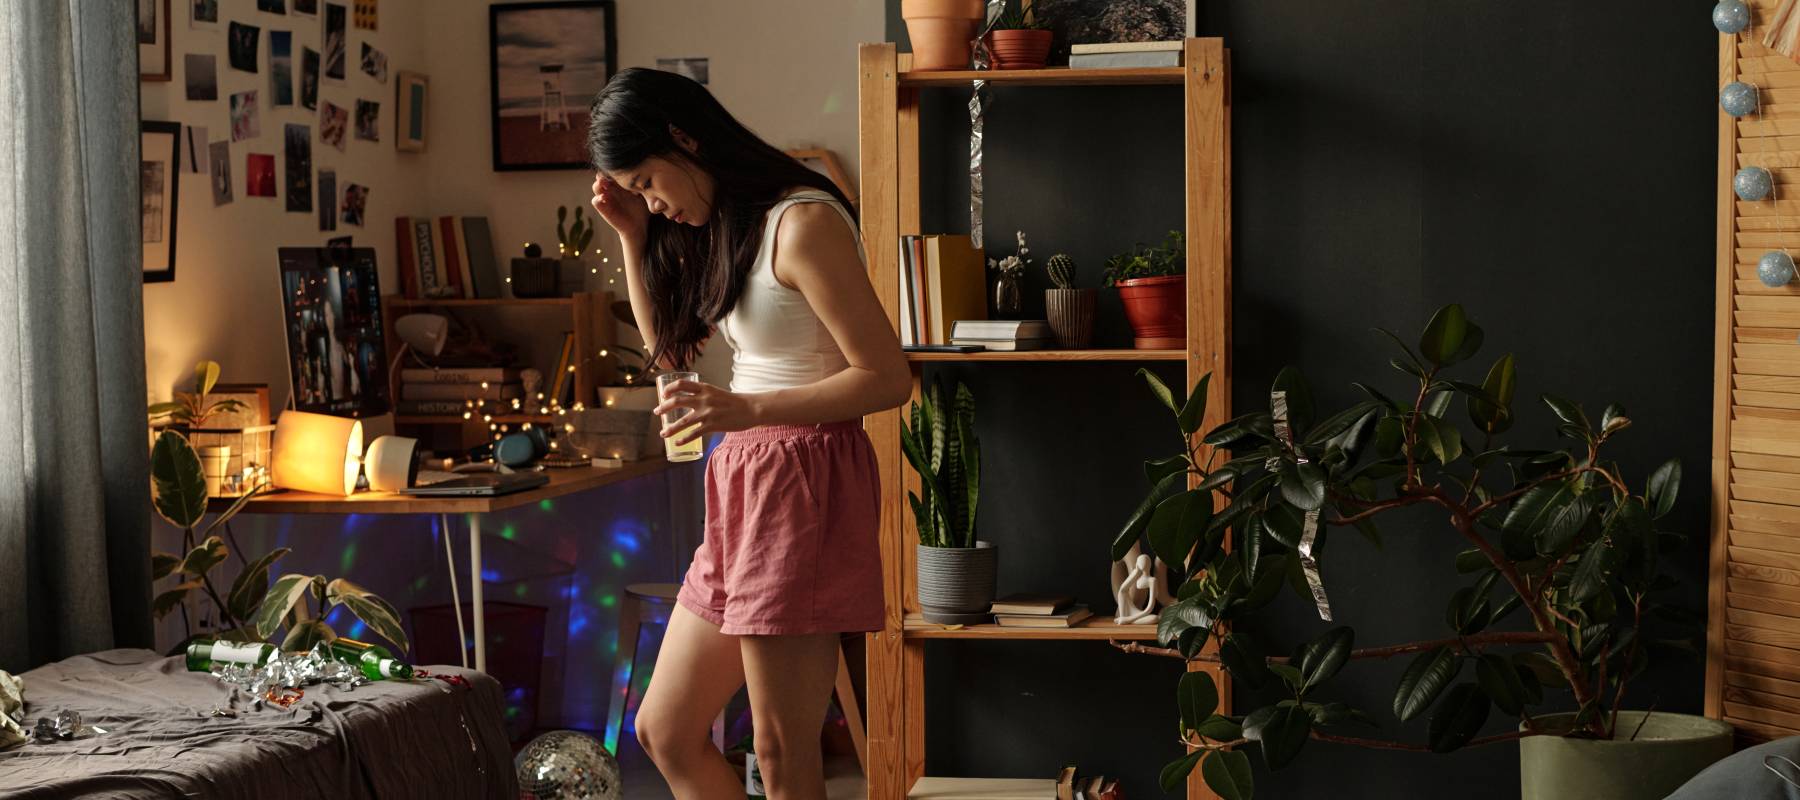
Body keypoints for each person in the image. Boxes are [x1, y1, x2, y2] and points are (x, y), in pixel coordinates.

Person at [586, 67, 909, 799]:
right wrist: (636, 237)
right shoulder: (730, 224)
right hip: (744, 481)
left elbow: (887, 379)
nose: (654, 200)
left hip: (804, 481)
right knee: (665, 731)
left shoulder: (804, 223)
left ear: (684, 138)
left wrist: (745, 411)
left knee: (782, 749)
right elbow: (671, 357)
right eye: (637, 192)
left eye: (647, 182)